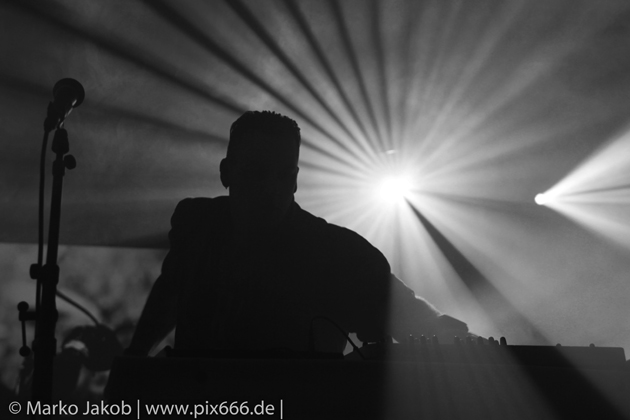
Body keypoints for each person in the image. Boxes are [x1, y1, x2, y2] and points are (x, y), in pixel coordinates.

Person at [126, 111, 470, 357]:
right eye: (257, 173)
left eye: (284, 175)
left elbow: (410, 315)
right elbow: (170, 293)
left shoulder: (338, 253)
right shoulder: (198, 225)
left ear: (294, 180)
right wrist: (131, 361)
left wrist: (446, 334)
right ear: (226, 173)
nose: (271, 189)